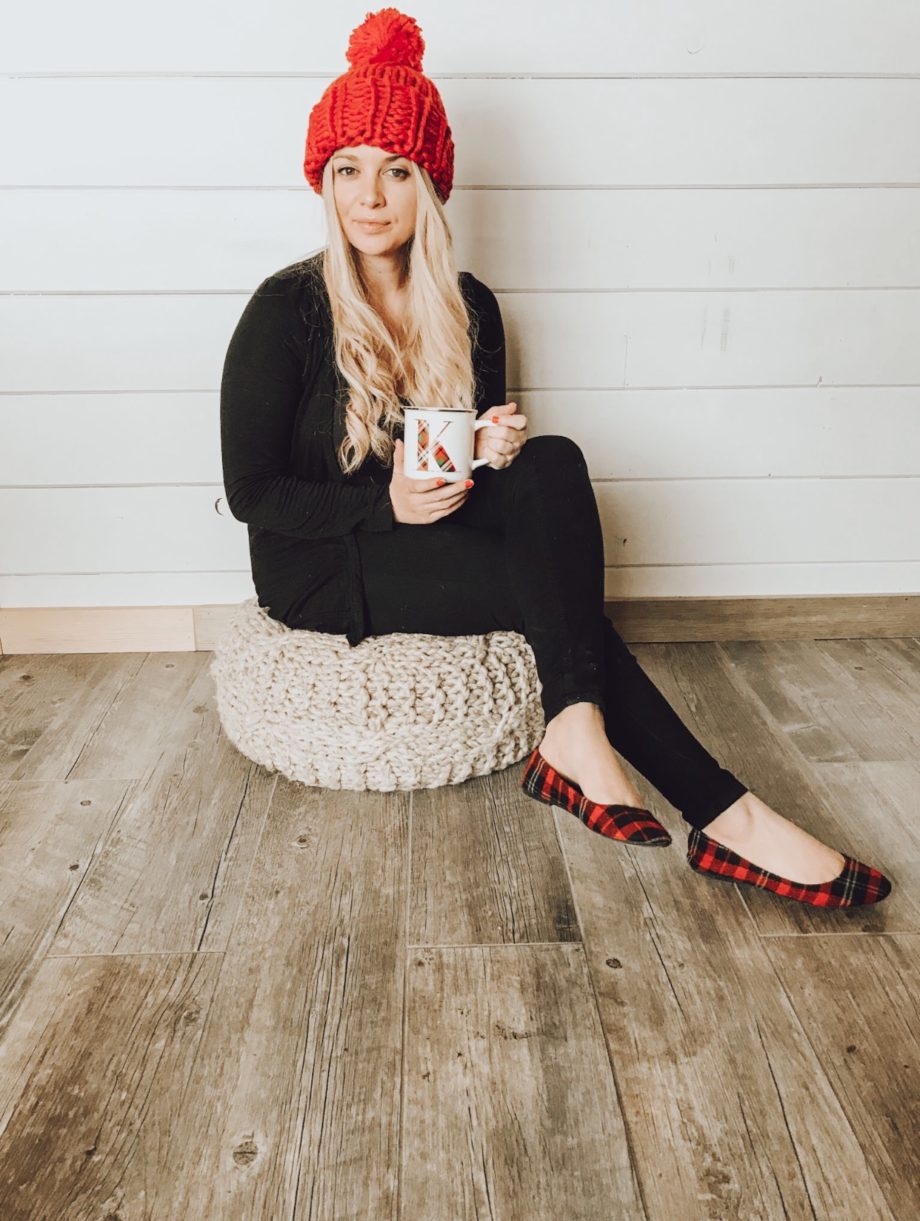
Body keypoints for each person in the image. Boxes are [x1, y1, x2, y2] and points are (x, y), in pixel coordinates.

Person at [219, 7, 890, 908]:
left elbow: (486, 487)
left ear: (431, 187)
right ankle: (731, 819)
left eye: (396, 170)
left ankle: (577, 731)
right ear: (323, 183)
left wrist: (490, 452)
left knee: (553, 460)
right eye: (347, 170)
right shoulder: (287, 310)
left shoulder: (470, 308)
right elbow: (250, 492)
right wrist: (388, 508)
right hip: (318, 568)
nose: (369, 196)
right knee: (567, 613)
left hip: (422, 537)